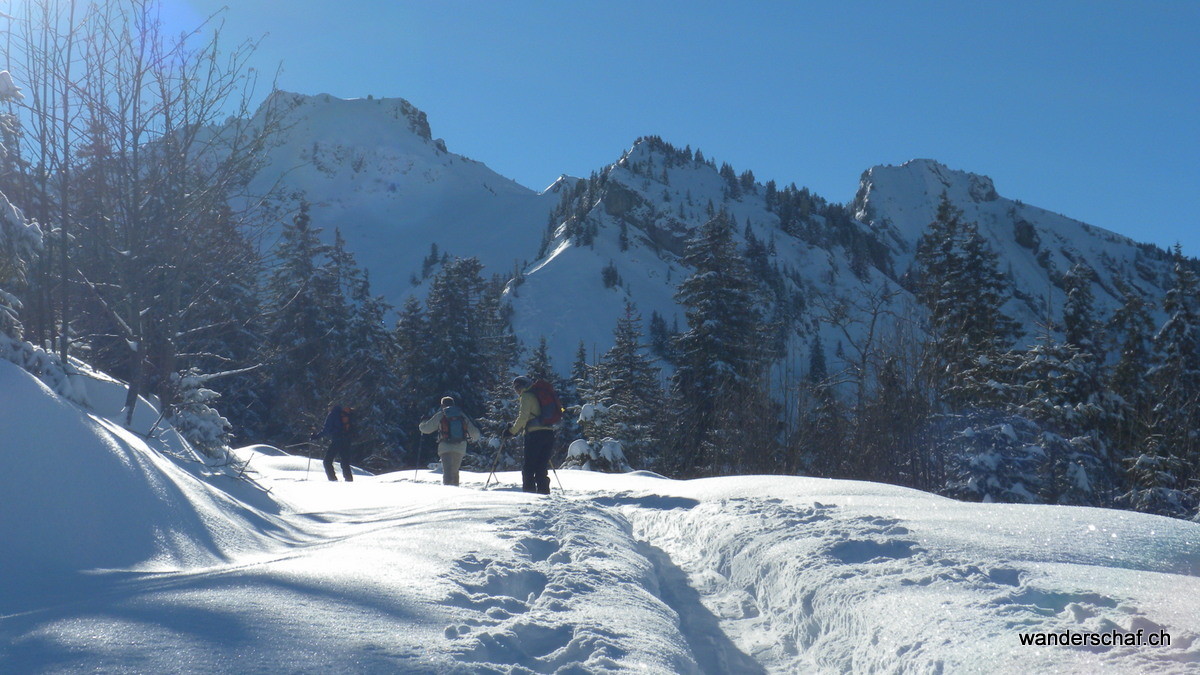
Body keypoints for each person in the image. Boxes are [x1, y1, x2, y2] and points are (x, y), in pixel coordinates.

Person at [503, 376, 556, 494]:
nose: (516, 391)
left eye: (516, 388)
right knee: (541, 467)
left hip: (534, 435)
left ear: (521, 386)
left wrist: (511, 431)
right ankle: (544, 493)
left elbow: (523, 417)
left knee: (529, 468)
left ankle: (529, 494)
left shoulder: (527, 396)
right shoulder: (538, 394)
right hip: (549, 433)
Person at [419, 396, 482, 486]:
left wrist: (422, 423)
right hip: (460, 447)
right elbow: (474, 432)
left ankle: (449, 491)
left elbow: (426, 429)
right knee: (455, 471)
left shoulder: (441, 415)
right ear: (453, 404)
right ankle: (455, 489)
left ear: (442, 405)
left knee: (447, 471)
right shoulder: (461, 415)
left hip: (445, 447)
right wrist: (474, 439)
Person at [312, 404, 355, 482]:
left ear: (331, 407)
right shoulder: (344, 414)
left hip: (337, 440)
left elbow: (326, 430)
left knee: (327, 461)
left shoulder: (332, 414)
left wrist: (316, 436)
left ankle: (333, 479)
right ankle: (349, 480)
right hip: (347, 440)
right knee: (345, 462)